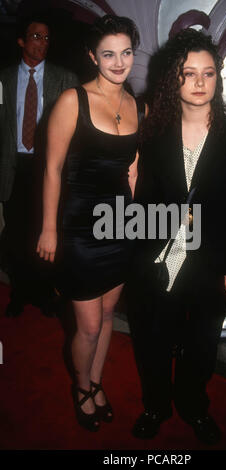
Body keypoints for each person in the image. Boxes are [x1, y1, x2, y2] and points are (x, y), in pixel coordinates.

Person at [127, 28, 226, 445]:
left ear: (218, 78)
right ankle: (156, 406)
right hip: (157, 257)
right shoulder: (153, 133)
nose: (200, 83)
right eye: (189, 73)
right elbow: (143, 198)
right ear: (174, 79)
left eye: (208, 74)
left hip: (211, 260)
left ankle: (193, 406)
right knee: (152, 339)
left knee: (201, 345)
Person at [37, 15, 143, 432]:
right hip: (80, 227)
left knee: (111, 310)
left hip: (120, 225)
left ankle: (97, 382)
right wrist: (49, 229)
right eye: (109, 54)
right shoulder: (71, 101)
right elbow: (51, 168)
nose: (119, 63)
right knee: (90, 324)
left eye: (127, 53)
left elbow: (132, 167)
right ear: (92, 57)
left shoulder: (135, 102)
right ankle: (82, 386)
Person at [0, 15, 78, 317]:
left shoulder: (64, 79)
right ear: (21, 40)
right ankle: (20, 291)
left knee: (47, 232)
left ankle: (46, 292)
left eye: (46, 38)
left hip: (49, 169)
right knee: (18, 236)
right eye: (35, 36)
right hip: (14, 167)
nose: (42, 43)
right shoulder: (4, 79)